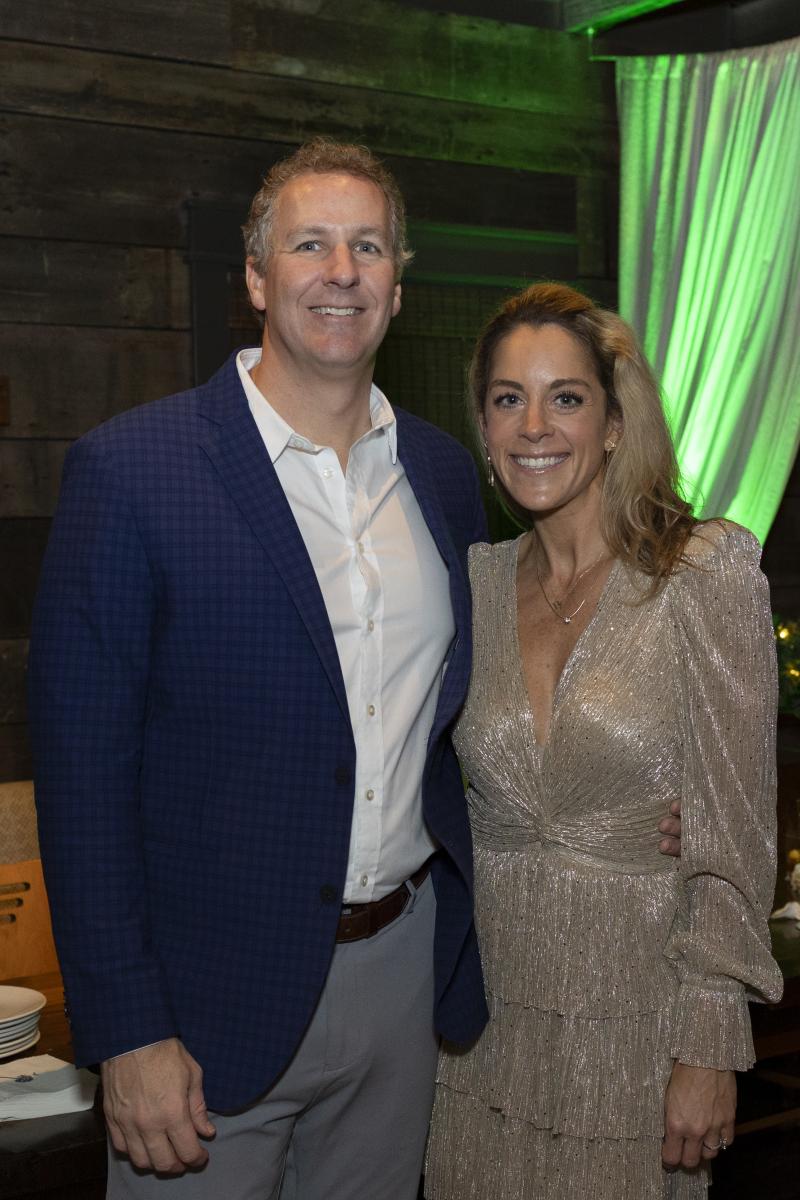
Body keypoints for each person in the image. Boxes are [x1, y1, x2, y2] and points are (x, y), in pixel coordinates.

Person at [27, 138, 493, 1200]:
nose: (341, 271)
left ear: (397, 283)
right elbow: (82, 778)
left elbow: (466, 716)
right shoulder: (132, 470)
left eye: (367, 247)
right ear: (254, 277)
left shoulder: (440, 473)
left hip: (402, 981)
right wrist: (127, 1028)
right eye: (310, 244)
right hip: (203, 1007)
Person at [425, 282, 782, 1199]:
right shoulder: (471, 583)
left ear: (615, 424)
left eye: (567, 398)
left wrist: (710, 1046)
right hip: (479, 1035)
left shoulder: (702, 574)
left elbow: (736, 830)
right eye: (509, 398)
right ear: (484, 426)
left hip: (639, 1029)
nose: (534, 426)